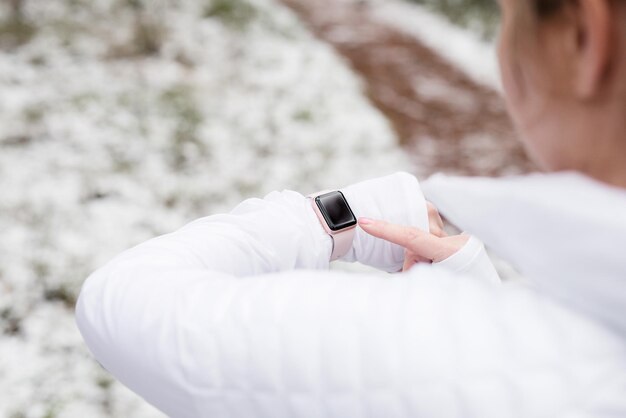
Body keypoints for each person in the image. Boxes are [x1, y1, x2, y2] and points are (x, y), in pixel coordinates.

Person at [76, 0, 626, 416]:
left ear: (582, 36)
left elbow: (122, 300)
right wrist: (470, 286)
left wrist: (342, 216)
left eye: (508, 15)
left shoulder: (454, 359)